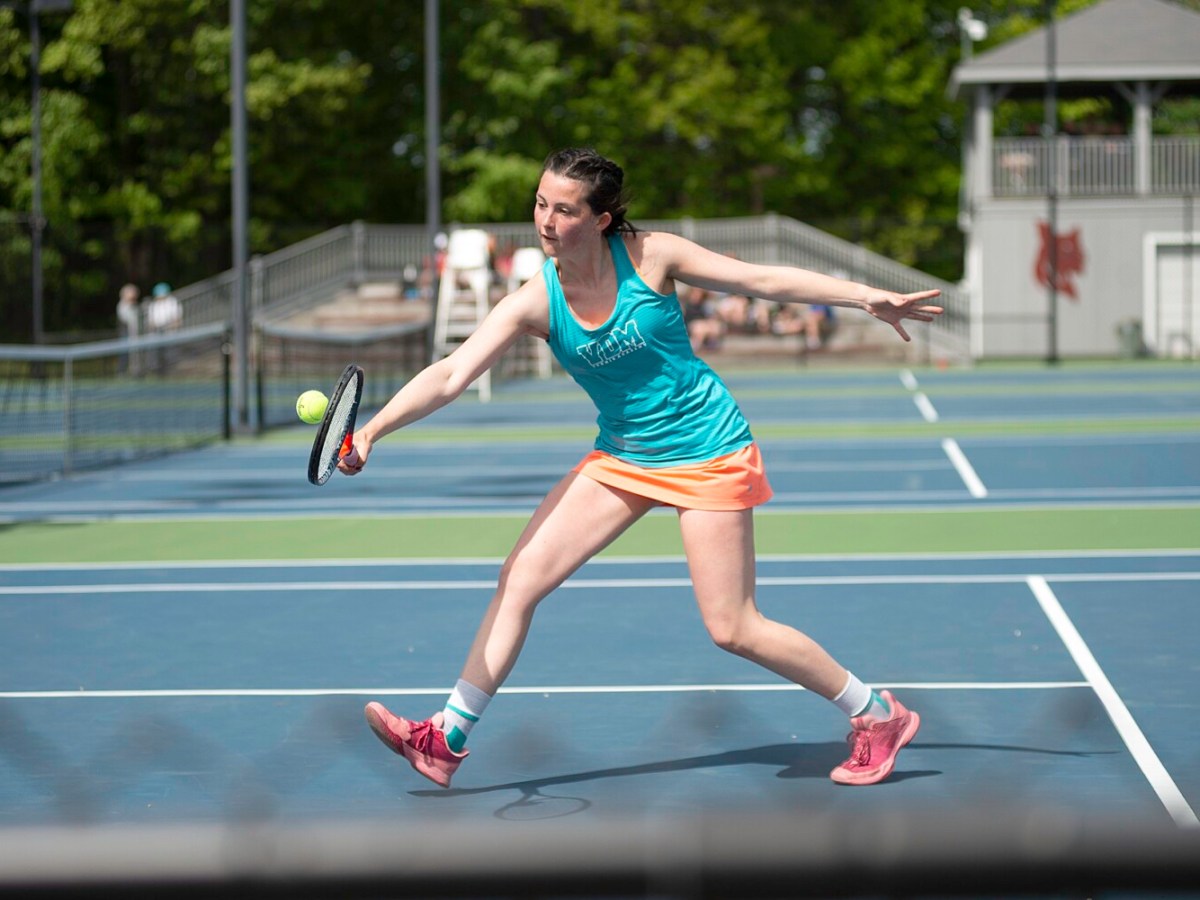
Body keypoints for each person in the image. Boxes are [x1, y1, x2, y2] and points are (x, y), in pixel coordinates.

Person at [340, 148, 942, 788]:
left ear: (600, 220)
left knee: (733, 627)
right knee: (519, 579)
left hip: (708, 450)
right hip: (624, 456)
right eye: (540, 204)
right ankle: (445, 738)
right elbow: (452, 373)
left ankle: (877, 715)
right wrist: (372, 430)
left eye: (564, 210)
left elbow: (760, 280)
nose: (545, 221)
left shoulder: (653, 256)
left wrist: (865, 297)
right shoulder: (536, 300)